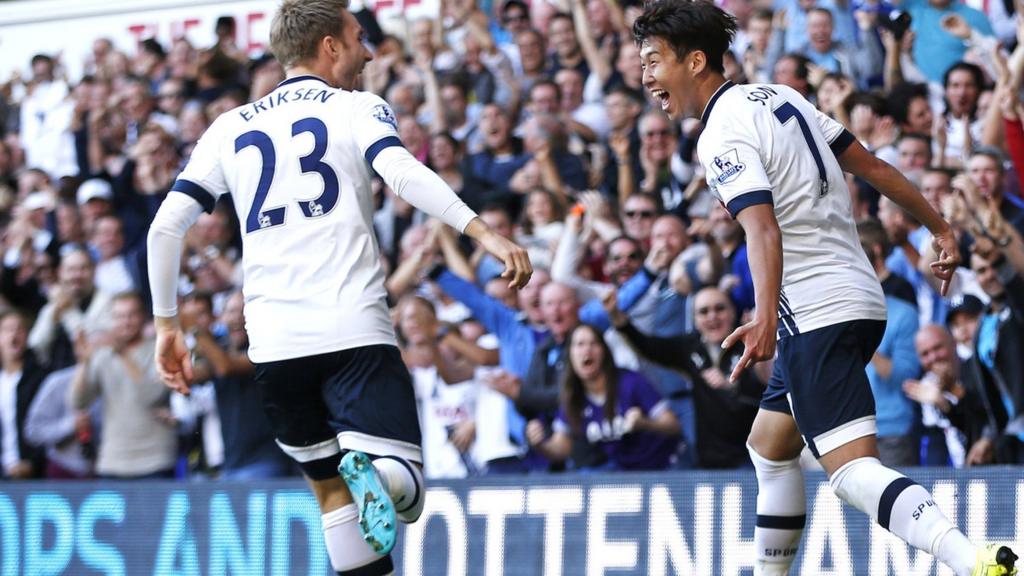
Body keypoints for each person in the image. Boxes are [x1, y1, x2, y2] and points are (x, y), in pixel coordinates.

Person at [146, 2, 532, 575]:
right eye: (359, 39)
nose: (369, 52)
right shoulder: (355, 107)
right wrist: (483, 232)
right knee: (406, 488)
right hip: (352, 328)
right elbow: (400, 172)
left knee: (331, 493)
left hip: (274, 346)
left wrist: (167, 326)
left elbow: (164, 227)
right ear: (330, 46)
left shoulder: (229, 127)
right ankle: (379, 472)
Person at [632, 2, 1016, 576]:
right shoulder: (780, 97)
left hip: (815, 308)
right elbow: (875, 167)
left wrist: (763, 317)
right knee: (769, 446)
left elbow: (760, 226)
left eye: (654, 61)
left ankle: (974, 558)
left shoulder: (721, 134)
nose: (645, 77)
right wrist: (938, 226)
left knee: (850, 473)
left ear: (695, 61)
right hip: (856, 294)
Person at [526, 323, 679, 470]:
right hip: (624, 475)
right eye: (580, 344)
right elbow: (561, 449)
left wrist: (645, 423)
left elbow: (673, 425)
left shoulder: (631, 381)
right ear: (570, 355)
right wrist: (540, 444)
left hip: (664, 467)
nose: (587, 350)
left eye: (593, 343)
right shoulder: (573, 396)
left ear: (604, 351)